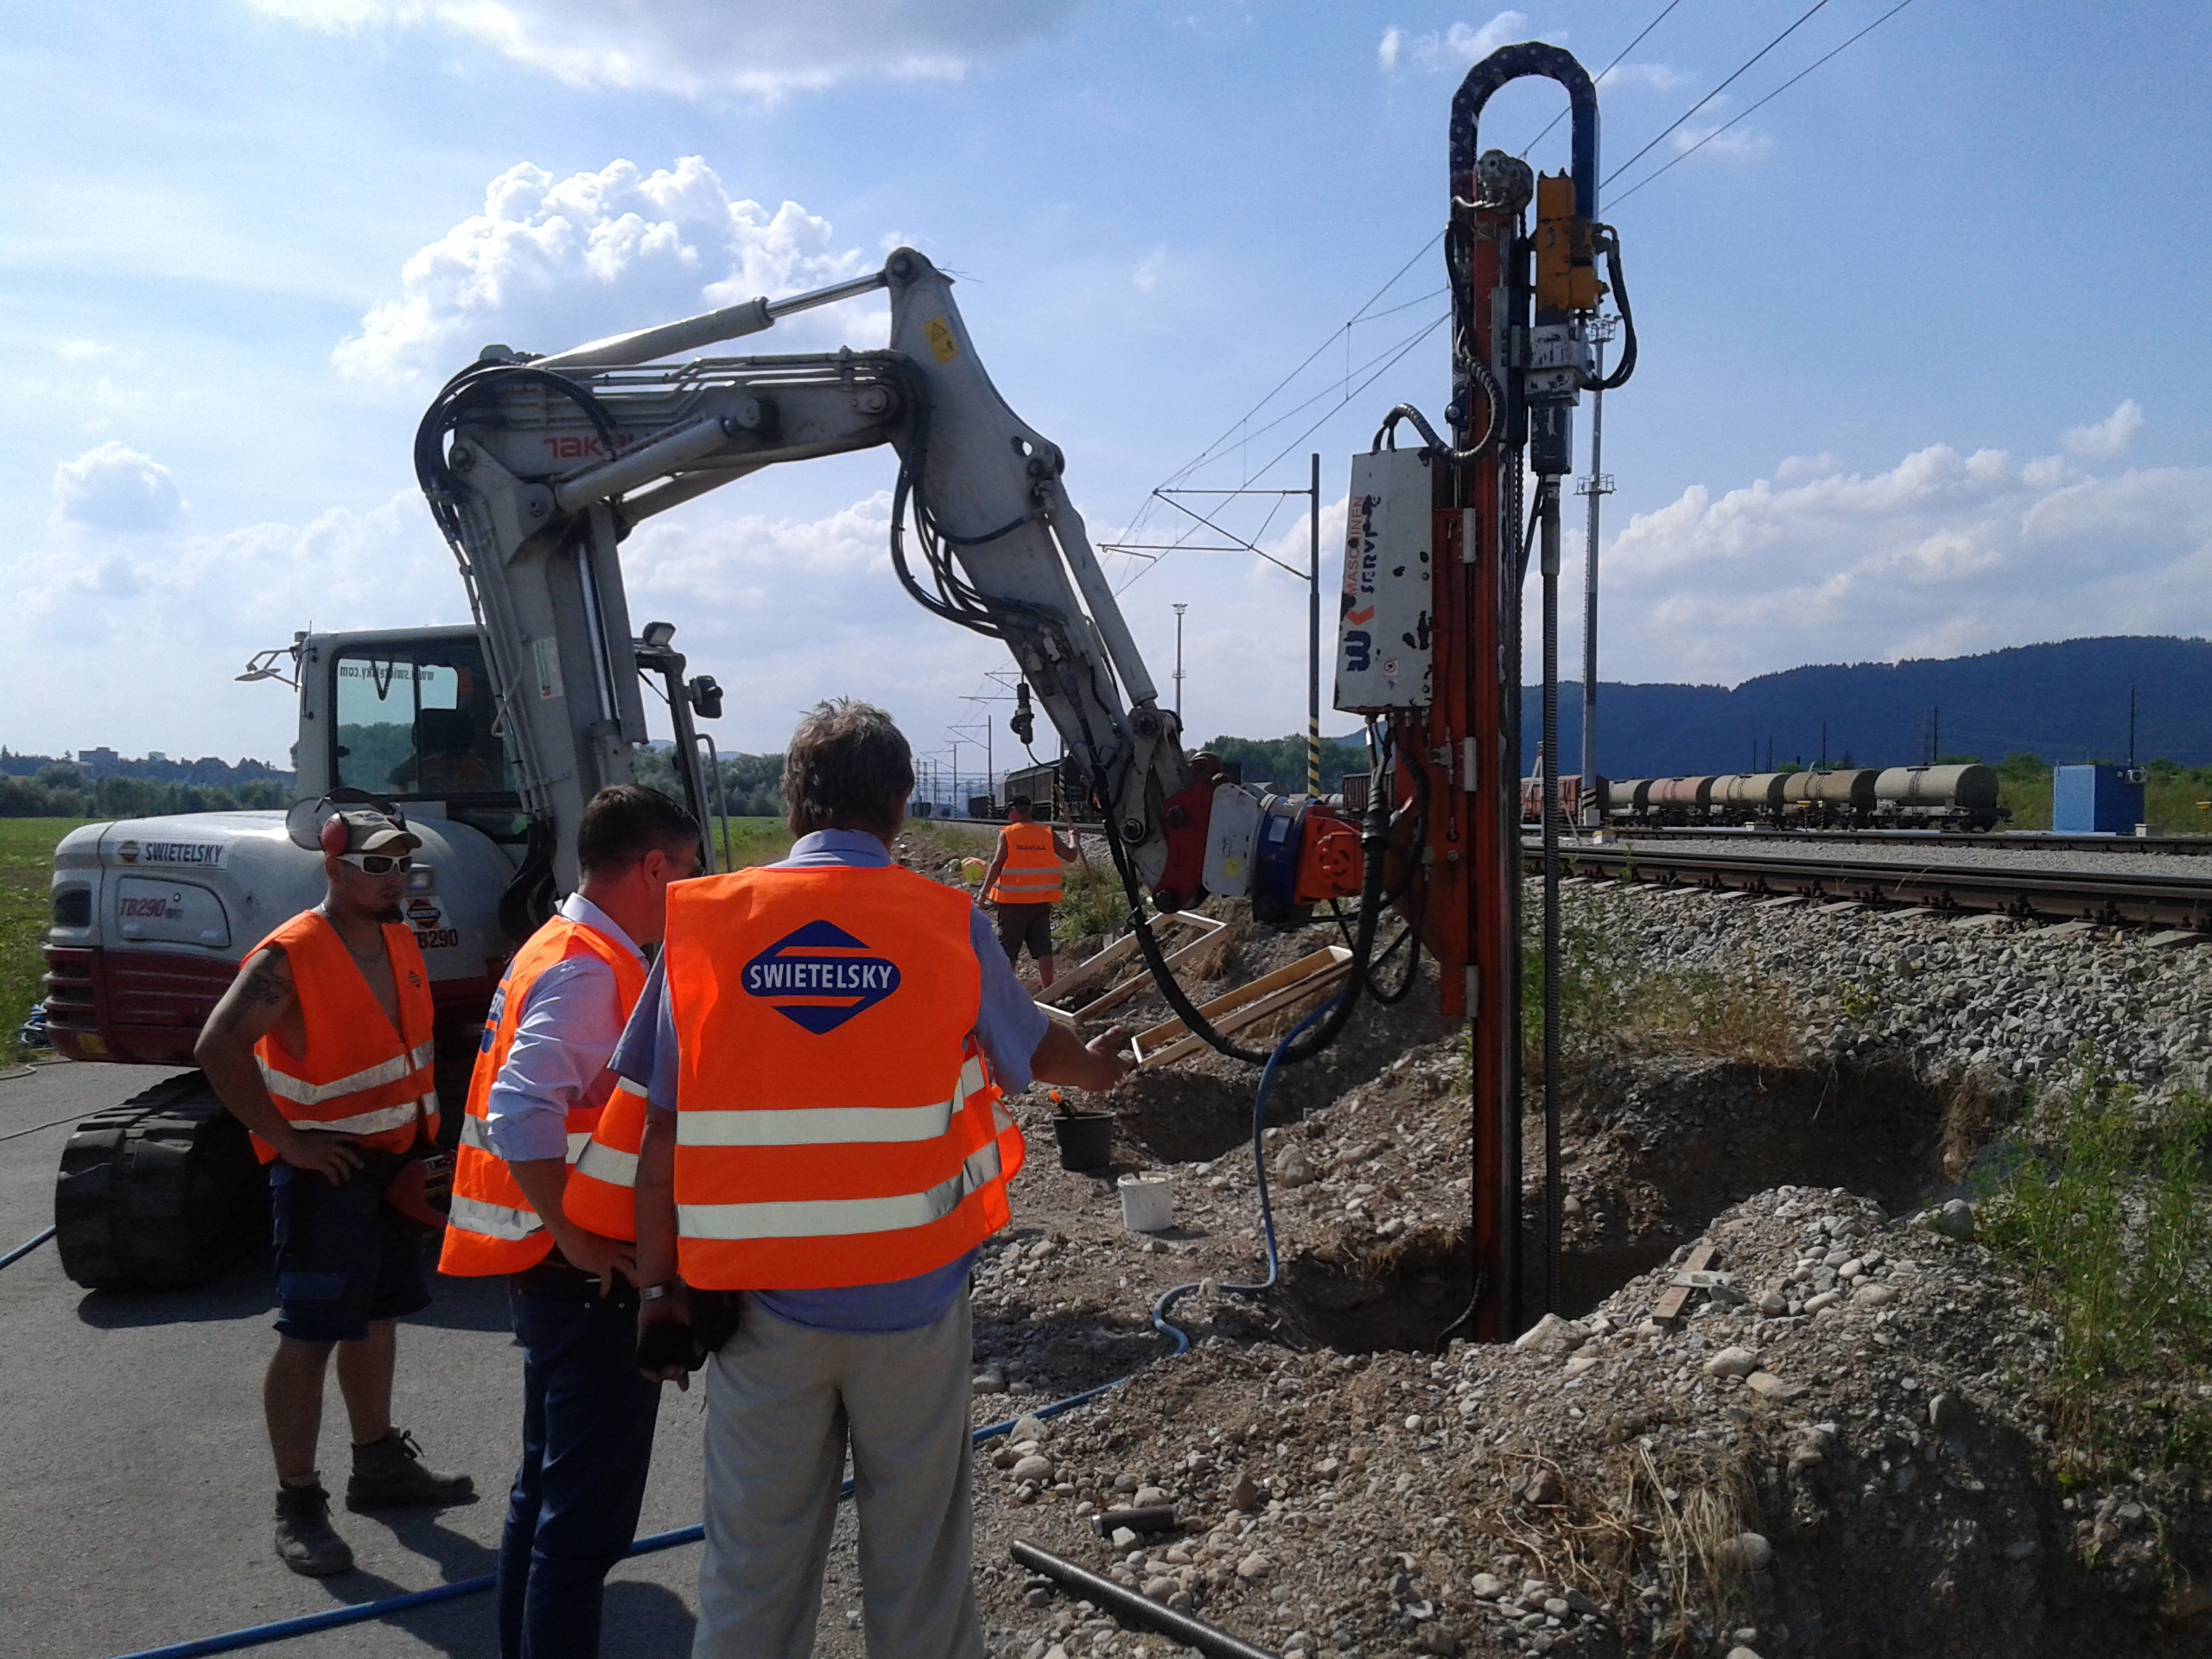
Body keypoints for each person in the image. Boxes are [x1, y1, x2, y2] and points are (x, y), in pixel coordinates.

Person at [619, 699, 1132, 1659]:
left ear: (792, 800)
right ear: (899, 807)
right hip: (913, 1309)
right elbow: (1037, 1051)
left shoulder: (705, 927)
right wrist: (1100, 1067)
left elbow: (659, 1141)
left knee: (750, 1573)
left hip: (758, 1312)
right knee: (918, 1568)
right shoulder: (942, 923)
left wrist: (656, 1294)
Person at [437, 785, 701, 1659]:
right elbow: (521, 1107)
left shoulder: (559, 945)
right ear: (653, 866)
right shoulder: (593, 968)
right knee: (581, 1532)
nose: (690, 891)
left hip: (553, 1270)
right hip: (586, 1275)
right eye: (687, 873)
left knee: (543, 1501)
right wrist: (578, 1233)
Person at [194, 805, 474, 1579]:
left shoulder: (397, 935)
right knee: (309, 1335)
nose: (393, 880)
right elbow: (217, 1046)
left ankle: (378, 1465)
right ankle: (297, 1502)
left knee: (377, 1316)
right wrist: (286, 1143)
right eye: (376, 866)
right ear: (334, 869)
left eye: (401, 866)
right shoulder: (291, 953)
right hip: (328, 1175)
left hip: (393, 1166)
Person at [978, 792, 1083, 989]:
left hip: (1012, 904)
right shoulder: (1047, 833)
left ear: (1015, 811)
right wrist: (1074, 839)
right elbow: (1070, 856)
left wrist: (984, 894)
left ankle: (1006, 993)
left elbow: (997, 864)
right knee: (1043, 950)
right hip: (1041, 902)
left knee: (1008, 951)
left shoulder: (1008, 833)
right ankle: (1049, 991)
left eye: (1008, 812)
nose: (1008, 816)